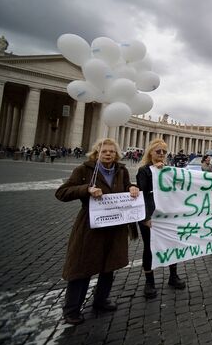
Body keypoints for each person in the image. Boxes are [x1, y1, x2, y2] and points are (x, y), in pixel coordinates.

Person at [55, 138, 140, 325]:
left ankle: (101, 300)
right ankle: (71, 309)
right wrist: (86, 189)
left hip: (115, 225)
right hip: (90, 226)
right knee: (82, 267)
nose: (108, 154)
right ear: (96, 153)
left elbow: (126, 186)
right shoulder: (84, 170)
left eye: (111, 151)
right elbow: (62, 192)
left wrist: (132, 188)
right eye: (104, 151)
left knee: (109, 265)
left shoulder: (121, 170)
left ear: (116, 154)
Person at [137, 139, 187, 300]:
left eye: (164, 152)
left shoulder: (169, 171)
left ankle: (173, 276)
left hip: (168, 214)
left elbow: (177, 190)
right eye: (158, 151)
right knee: (149, 248)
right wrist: (145, 217)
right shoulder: (143, 171)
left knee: (172, 245)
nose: (161, 155)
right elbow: (142, 195)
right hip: (150, 216)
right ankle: (149, 282)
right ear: (150, 152)